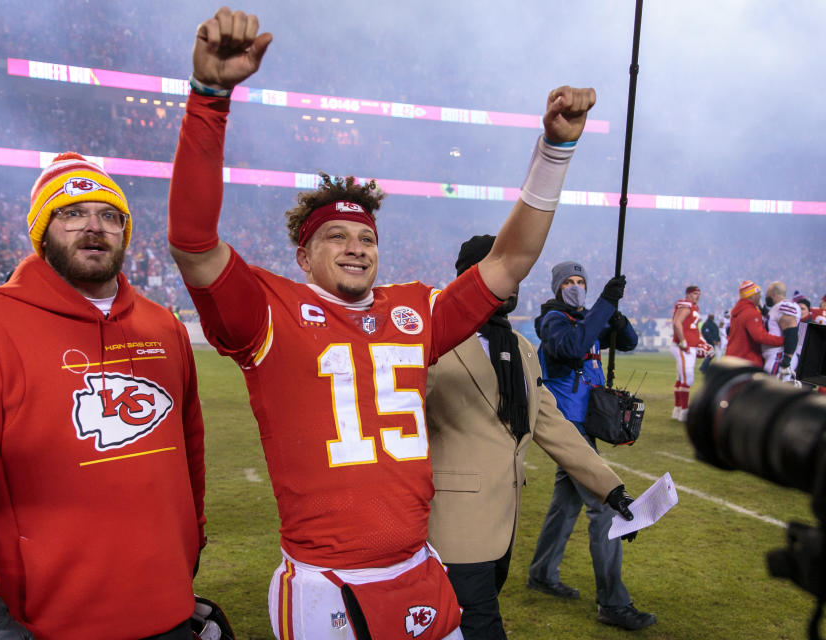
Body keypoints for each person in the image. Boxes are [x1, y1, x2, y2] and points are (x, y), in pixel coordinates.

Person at [168, 8, 597, 639]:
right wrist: (209, 98)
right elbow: (194, 241)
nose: (354, 246)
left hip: (421, 568)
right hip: (326, 583)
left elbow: (509, 261)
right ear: (303, 255)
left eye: (366, 236)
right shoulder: (269, 311)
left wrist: (555, 150)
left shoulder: (411, 311)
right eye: (335, 235)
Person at [0, 153, 209, 640]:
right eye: (71, 213)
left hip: (168, 608)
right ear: (42, 230)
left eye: (110, 216)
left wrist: (186, 551)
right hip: (45, 624)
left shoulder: (164, 327)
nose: (94, 226)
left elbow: (189, 452)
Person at [424, 236, 635, 640]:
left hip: (503, 529)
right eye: (503, 269)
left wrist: (611, 489)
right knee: (478, 627)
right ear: (468, 278)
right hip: (452, 529)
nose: (513, 281)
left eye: (517, 272)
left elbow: (551, 423)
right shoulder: (433, 338)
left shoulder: (521, 346)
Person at [526, 261, 656, 631]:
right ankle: (613, 603)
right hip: (567, 428)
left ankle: (541, 573)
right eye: (568, 281)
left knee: (564, 506)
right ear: (556, 288)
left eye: (581, 281)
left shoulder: (587, 318)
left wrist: (612, 312)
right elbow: (572, 348)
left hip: (584, 424)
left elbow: (628, 342)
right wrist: (602, 306)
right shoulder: (553, 321)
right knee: (605, 508)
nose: (576, 286)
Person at [669, 286, 708, 422]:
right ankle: (684, 412)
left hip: (690, 346)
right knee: (687, 377)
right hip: (684, 347)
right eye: (695, 294)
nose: (698, 296)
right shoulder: (686, 305)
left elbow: (694, 329)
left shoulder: (694, 307)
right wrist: (683, 341)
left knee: (681, 378)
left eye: (699, 294)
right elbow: (677, 322)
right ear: (688, 294)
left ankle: (678, 409)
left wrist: (703, 342)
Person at [725, 280, 782, 367]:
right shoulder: (751, 312)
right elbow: (760, 336)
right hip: (746, 360)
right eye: (758, 294)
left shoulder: (738, 310)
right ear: (752, 296)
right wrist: (783, 340)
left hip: (734, 357)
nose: (760, 296)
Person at [761, 281, 802, 381]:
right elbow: (775, 323)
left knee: (769, 391)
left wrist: (786, 360)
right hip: (776, 356)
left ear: (774, 294)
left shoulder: (785, 306)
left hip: (779, 356)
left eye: (767, 295)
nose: (766, 298)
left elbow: (791, 333)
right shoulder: (779, 307)